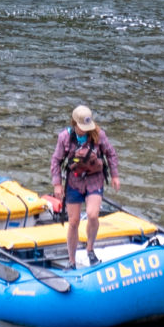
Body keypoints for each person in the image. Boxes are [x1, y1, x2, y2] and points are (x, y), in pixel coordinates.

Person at [43, 104, 120, 268]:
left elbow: (111, 154)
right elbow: (56, 160)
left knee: (92, 215)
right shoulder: (64, 137)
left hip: (94, 179)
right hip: (74, 182)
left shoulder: (99, 135)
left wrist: (115, 175)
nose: (85, 130)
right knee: (74, 221)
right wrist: (57, 184)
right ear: (75, 123)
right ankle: (71, 260)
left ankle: (90, 249)